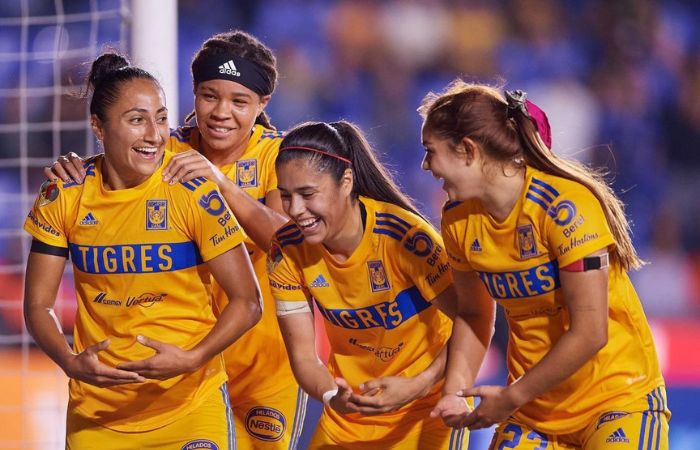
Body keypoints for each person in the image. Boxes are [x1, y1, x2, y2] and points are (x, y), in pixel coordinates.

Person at [46, 31, 304, 449]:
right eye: (208, 96)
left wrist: (220, 183)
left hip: (262, 361)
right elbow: (116, 159)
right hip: (184, 361)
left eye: (239, 101)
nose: (221, 112)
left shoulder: (282, 157)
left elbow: (289, 242)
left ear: (263, 106)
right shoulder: (165, 146)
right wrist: (75, 168)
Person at [422, 81, 669, 449]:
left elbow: (590, 332)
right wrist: (456, 390)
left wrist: (510, 397)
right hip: (535, 409)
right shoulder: (457, 219)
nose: (426, 165)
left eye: (431, 152)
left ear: (467, 150)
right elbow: (474, 314)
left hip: (617, 399)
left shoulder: (565, 208)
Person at [267, 120, 467, 449]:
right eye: (286, 197)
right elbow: (304, 357)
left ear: (346, 182)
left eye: (307, 194)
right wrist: (333, 395)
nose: (295, 210)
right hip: (349, 418)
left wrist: (418, 385)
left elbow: (471, 321)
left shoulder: (405, 238)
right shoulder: (285, 249)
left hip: (426, 409)